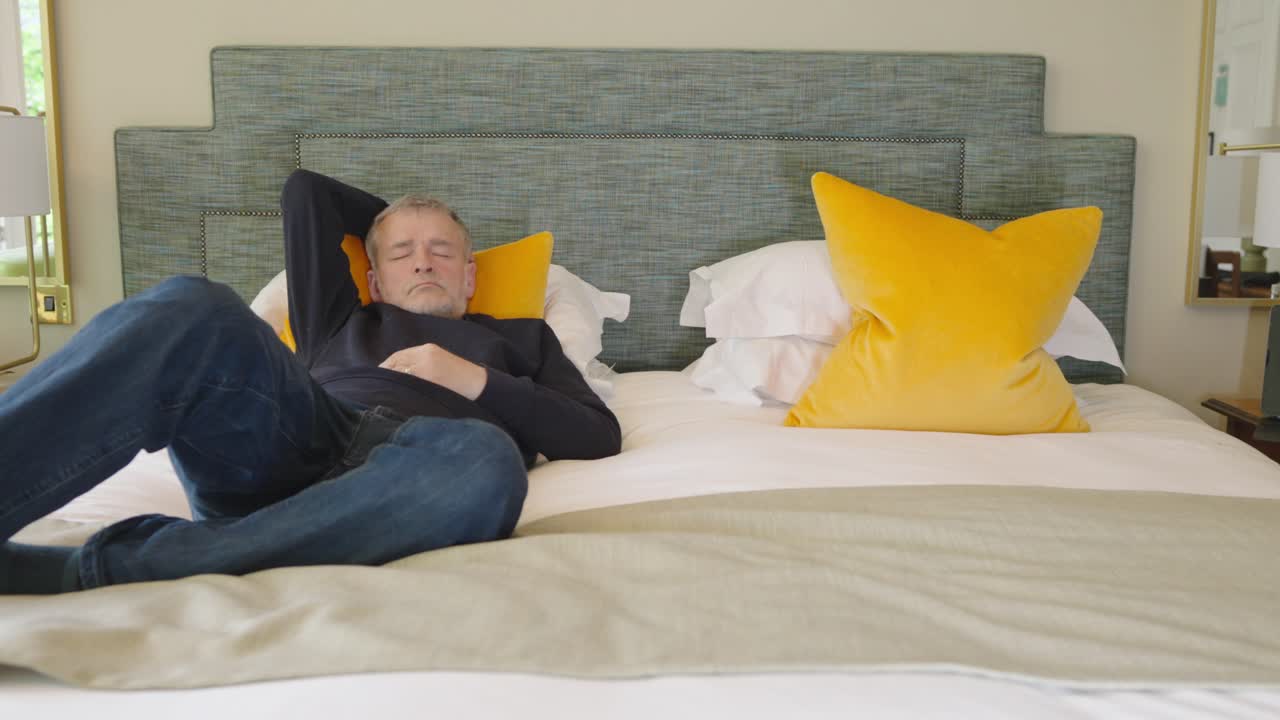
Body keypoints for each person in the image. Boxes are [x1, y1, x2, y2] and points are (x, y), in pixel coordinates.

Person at [0, 169, 621, 595]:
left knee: (486, 459)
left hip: (423, 471)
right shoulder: (342, 315)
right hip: (299, 431)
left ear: (470, 276)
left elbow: (597, 434)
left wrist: (469, 379)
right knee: (193, 304)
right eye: (402, 254)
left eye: (442, 250)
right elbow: (306, 193)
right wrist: (390, 221)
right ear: (375, 281)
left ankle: (93, 571)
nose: (424, 260)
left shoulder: (522, 337)